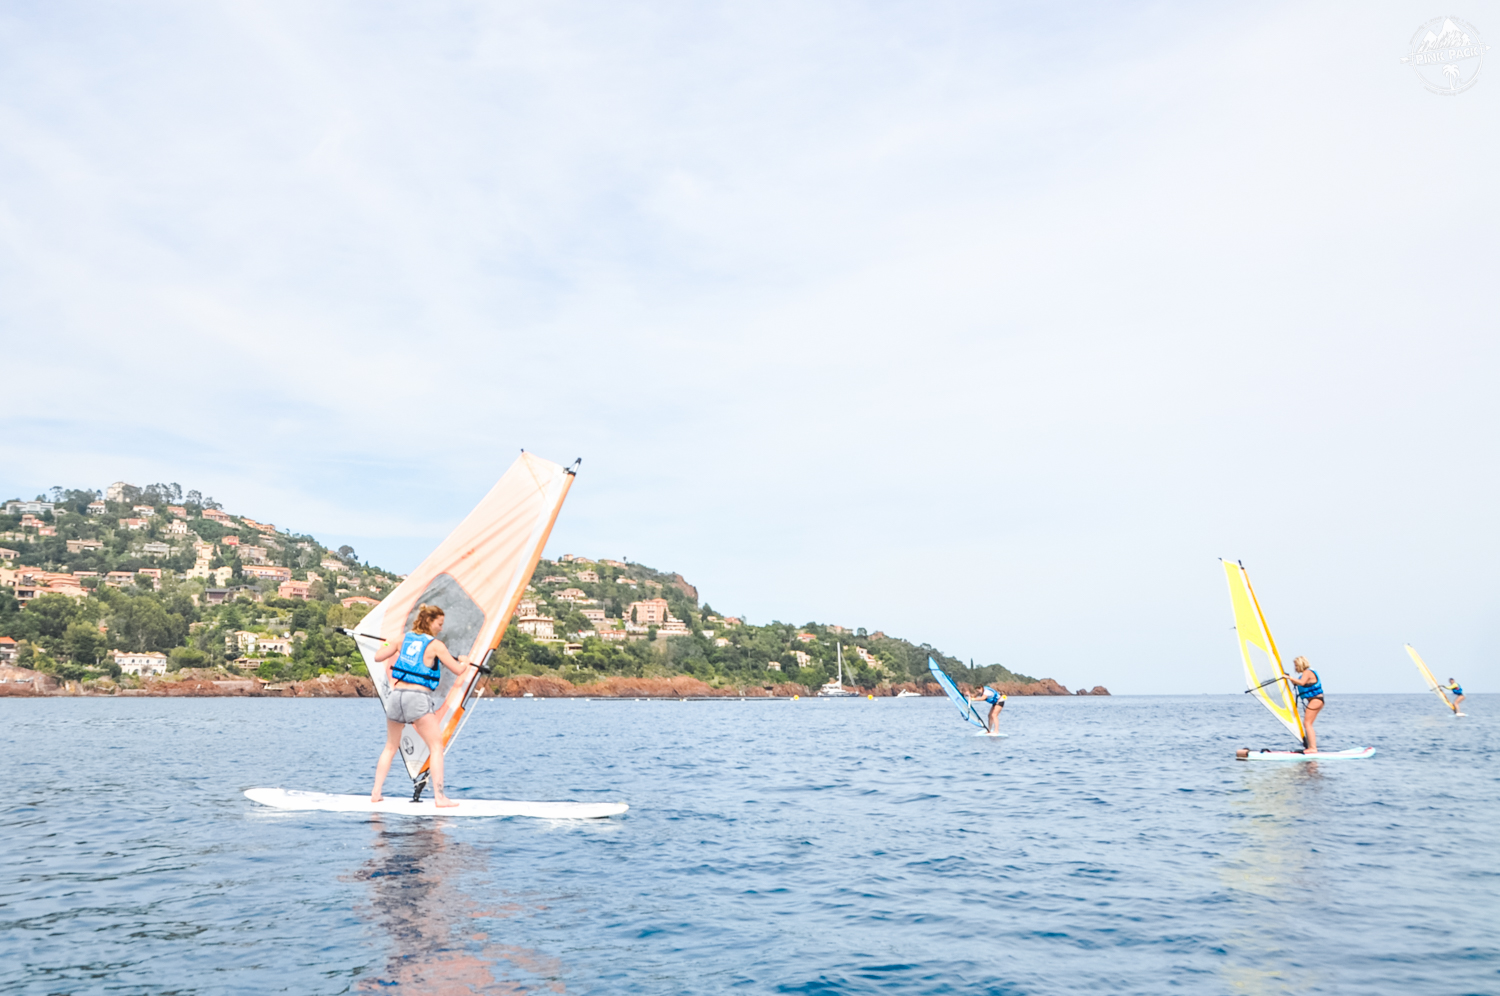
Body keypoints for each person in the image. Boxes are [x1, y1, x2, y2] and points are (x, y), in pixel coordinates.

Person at [370, 604, 474, 806]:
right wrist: (465, 662)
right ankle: (440, 797)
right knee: (436, 747)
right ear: (429, 621)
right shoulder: (436, 645)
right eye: (439, 624)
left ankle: (376, 793)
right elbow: (458, 670)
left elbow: (378, 656)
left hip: (396, 696)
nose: (441, 628)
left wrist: (389, 643)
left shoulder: (401, 639)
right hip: (417, 698)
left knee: (390, 746)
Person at [1289, 656, 1324, 753]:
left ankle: (1313, 748)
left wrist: (1289, 678)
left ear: (1301, 664)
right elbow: (1300, 683)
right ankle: (1310, 747)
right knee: (1308, 724)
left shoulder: (1307, 672)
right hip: (1316, 700)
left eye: (1296, 665)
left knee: (1307, 724)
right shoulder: (1305, 674)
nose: (1295, 668)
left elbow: (1302, 682)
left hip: (1316, 700)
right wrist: (1291, 680)